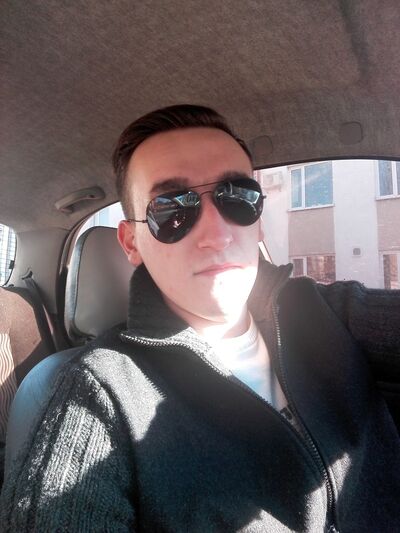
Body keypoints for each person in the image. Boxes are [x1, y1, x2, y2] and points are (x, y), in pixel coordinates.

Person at [1, 104, 399, 532]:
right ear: (132, 242)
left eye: (239, 198)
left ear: (259, 223)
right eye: (171, 208)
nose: (217, 234)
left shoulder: (328, 311)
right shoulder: (98, 391)